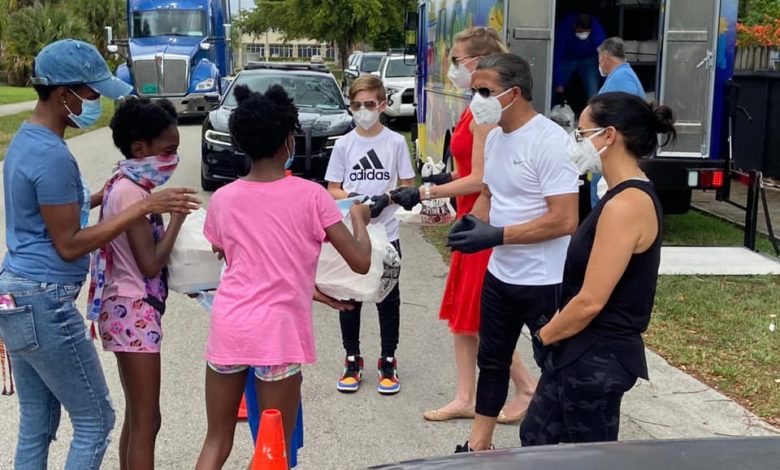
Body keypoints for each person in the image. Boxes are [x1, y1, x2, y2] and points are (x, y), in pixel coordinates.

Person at [0, 39, 199, 470]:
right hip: (43, 300)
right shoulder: (51, 154)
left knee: (38, 420)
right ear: (62, 93)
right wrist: (143, 208)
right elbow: (69, 242)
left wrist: (107, 198)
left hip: (18, 295)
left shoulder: (27, 142)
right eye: (90, 94)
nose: (95, 103)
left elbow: (52, 214)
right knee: (96, 420)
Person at [195, 84, 372, 469]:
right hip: (277, 332)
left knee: (216, 439)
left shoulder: (224, 198)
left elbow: (228, 253)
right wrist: (358, 220)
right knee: (273, 447)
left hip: (229, 327)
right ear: (289, 140)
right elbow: (359, 261)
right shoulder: (312, 197)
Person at [391, 26, 539, 424]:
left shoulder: (487, 111)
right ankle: (465, 396)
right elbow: (466, 169)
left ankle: (527, 387)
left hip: (483, 220)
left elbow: (482, 178)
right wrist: (441, 183)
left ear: (477, 61)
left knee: (480, 316)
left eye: (457, 61)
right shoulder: (475, 106)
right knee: (463, 318)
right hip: (468, 218)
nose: (453, 69)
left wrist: (426, 192)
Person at [520, 92, 674, 445]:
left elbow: (591, 300)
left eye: (582, 133)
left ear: (609, 135)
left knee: (587, 458)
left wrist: (545, 335)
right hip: (576, 348)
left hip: (598, 357)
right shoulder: (616, 194)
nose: (576, 142)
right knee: (536, 439)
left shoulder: (628, 204)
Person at [447, 53, 580, 452]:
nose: (477, 100)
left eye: (485, 91)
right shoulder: (496, 137)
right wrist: (473, 224)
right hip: (501, 276)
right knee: (492, 363)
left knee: (555, 369)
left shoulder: (550, 141)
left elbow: (564, 220)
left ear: (515, 93)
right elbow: (489, 194)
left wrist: (497, 235)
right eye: (474, 91)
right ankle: (477, 447)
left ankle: (560, 451)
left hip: (545, 280)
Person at [85, 97, 183, 469]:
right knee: (148, 421)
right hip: (133, 309)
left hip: (125, 308)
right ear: (140, 148)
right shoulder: (132, 192)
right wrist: (176, 219)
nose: (173, 158)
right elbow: (150, 262)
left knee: (138, 415)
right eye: (168, 150)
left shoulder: (124, 179)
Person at [325, 75, 416, 395]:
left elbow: (407, 185)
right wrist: (353, 198)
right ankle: (352, 359)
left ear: (382, 105)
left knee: (388, 298)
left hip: (387, 233)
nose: (363, 111)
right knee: (349, 295)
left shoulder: (395, 143)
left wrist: (388, 199)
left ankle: (388, 361)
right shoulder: (344, 144)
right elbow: (332, 188)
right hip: (353, 234)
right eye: (356, 105)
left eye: (369, 104)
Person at [589, 37, 647, 207]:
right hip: (613, 147)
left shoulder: (621, 78)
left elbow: (621, 116)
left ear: (605, 57)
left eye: (599, 58)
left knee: (604, 198)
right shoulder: (621, 75)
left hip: (615, 149)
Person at [553, 12, 607, 102]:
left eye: (586, 32)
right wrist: (559, 86)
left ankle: (593, 113)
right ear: (574, 26)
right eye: (581, 31)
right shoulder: (564, 29)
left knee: (593, 90)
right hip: (568, 57)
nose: (583, 34)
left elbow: (604, 58)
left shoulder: (598, 31)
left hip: (589, 59)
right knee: (553, 87)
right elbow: (557, 58)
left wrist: (608, 82)